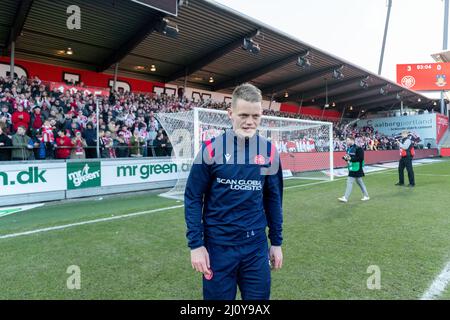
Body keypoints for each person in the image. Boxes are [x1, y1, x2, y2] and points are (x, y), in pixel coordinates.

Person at [184, 83, 283, 300]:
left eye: (255, 116)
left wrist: (276, 242)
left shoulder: (269, 151)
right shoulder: (210, 150)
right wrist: (196, 245)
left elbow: (273, 199)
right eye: (244, 115)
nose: (250, 122)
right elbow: (192, 196)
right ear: (230, 114)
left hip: (256, 248)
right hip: (218, 248)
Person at [338, 136, 370, 203]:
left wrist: (350, 159)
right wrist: (345, 158)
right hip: (352, 167)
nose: (346, 142)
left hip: (357, 168)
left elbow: (360, 158)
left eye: (348, 140)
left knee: (350, 181)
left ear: (352, 140)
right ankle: (366, 196)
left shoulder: (359, 149)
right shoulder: (349, 148)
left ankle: (345, 197)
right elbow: (348, 157)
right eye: (346, 140)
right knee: (360, 182)